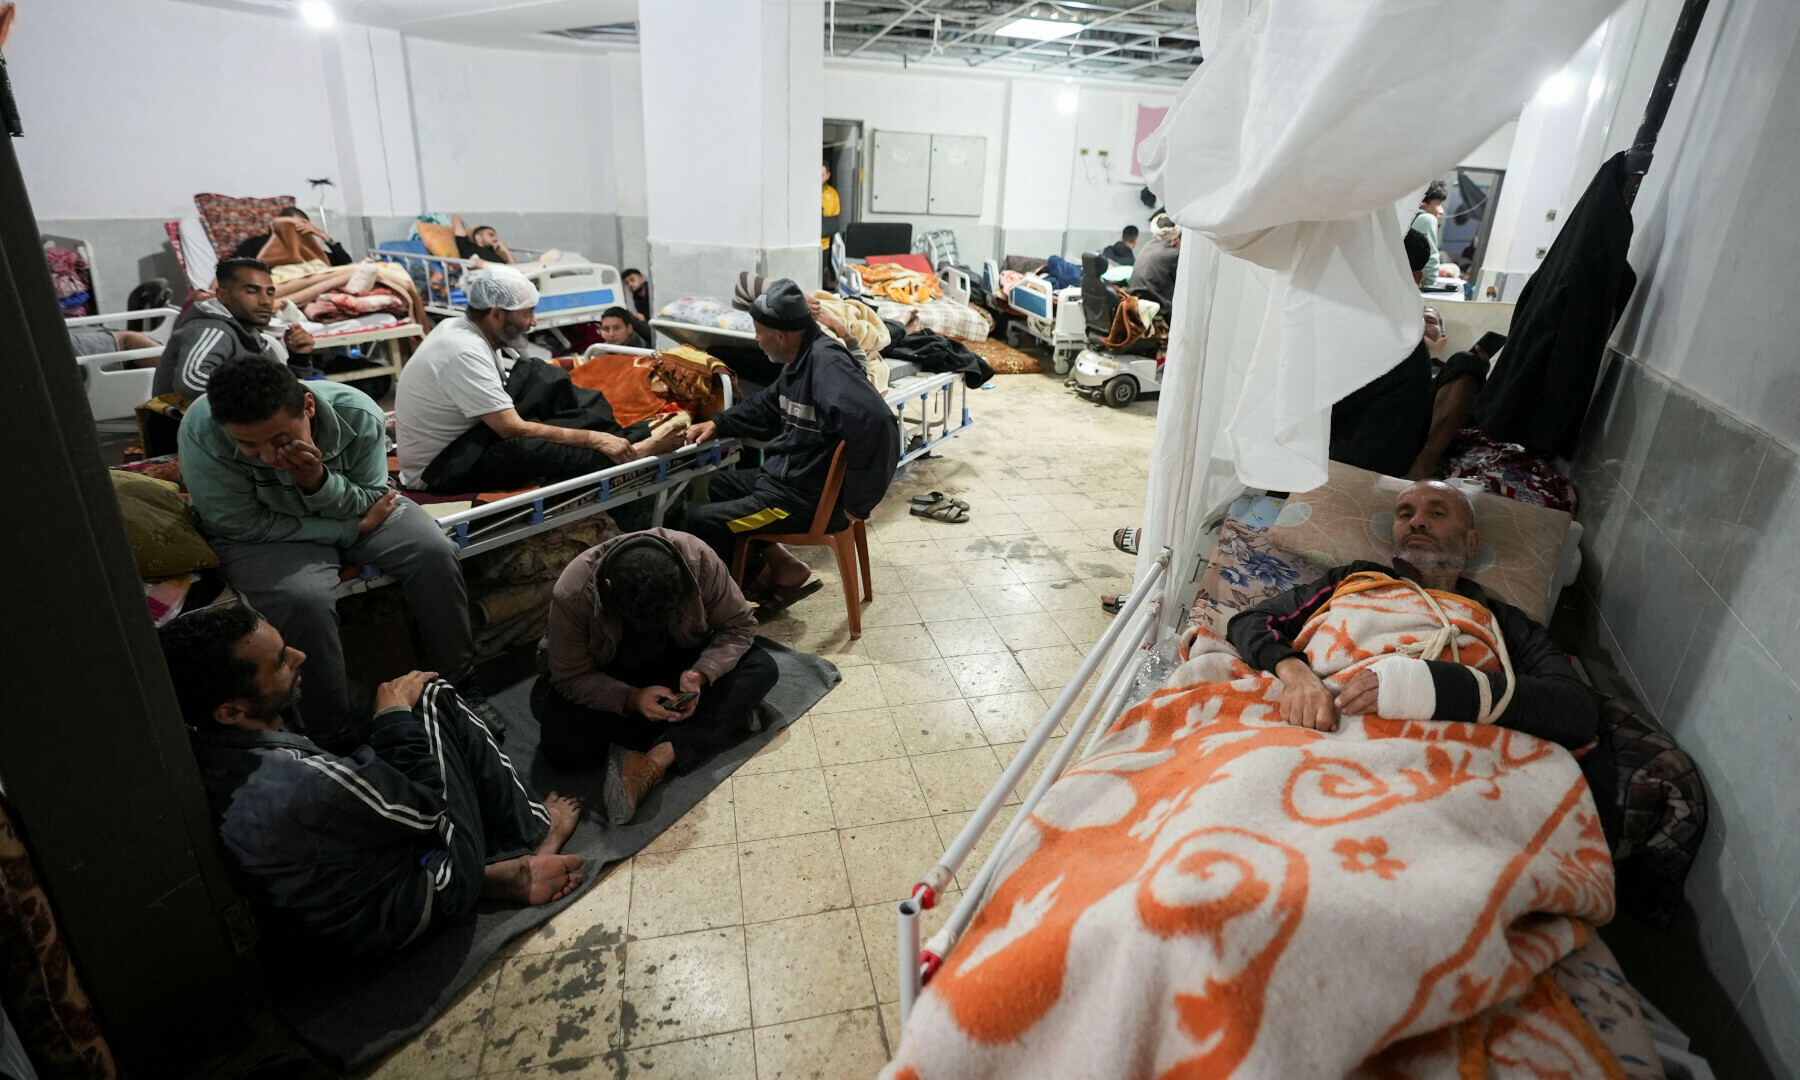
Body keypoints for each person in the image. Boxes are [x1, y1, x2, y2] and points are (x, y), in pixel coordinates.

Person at [160, 605, 584, 958]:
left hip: (327, 921)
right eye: (281, 662)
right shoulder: (295, 780)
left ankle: (490, 877)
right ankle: (533, 832)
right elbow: (424, 809)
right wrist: (393, 717)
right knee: (431, 695)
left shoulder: (207, 745)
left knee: (400, 732)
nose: (301, 656)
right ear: (231, 711)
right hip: (392, 918)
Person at [180, 356, 479, 749]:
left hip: (350, 507)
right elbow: (239, 524)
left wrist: (317, 480)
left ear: (307, 407)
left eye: (281, 441)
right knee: (300, 598)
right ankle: (334, 733)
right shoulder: (203, 430)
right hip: (266, 533)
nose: (268, 457)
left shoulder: (357, 413)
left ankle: (460, 687)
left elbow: (373, 495)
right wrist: (348, 529)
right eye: (248, 446)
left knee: (433, 551)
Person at [1225, 479, 1596, 749]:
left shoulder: (1500, 620)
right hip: (1317, 721)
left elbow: (1575, 709)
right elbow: (1250, 623)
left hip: (1441, 749)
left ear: (1471, 542)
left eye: (1437, 512)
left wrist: (1422, 686)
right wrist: (1297, 677)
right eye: (1406, 514)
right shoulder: (1356, 579)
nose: (1417, 521)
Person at [681, 278, 901, 611]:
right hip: (790, 480)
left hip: (799, 500)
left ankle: (726, 611)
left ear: (781, 335)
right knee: (723, 485)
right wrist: (717, 423)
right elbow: (768, 404)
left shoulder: (825, 365)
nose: (756, 339)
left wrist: (858, 504)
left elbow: (879, 424)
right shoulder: (801, 362)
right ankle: (783, 569)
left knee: (702, 521)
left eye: (758, 331)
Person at [536, 529, 777, 824]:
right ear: (609, 587)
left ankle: (656, 760)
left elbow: (740, 626)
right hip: (616, 676)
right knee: (558, 742)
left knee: (762, 667)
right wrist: (632, 698)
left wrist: (700, 675)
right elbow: (570, 676)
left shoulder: (698, 561)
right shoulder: (575, 592)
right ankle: (722, 716)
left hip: (684, 662)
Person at [394, 266, 681, 494]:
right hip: (440, 467)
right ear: (497, 314)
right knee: (526, 448)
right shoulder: (462, 350)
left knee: (537, 372)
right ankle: (632, 452)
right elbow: (511, 429)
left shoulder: (465, 329)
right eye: (527, 313)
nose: (533, 322)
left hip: (471, 435)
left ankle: (618, 437)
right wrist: (594, 440)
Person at [1328, 228, 1435, 477]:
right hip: (1343, 462)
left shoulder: (1398, 342)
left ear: (1414, 278)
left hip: (1353, 474)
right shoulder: (1360, 324)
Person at [153, 257, 317, 397]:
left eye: (270, 293)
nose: (266, 301)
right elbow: (190, 381)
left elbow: (280, 388)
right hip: (189, 430)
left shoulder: (249, 332)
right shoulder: (213, 329)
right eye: (252, 291)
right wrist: (259, 387)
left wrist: (299, 358)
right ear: (223, 295)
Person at [1405, 331, 1506, 480]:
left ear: (1442, 338)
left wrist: (1476, 372)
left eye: (1430, 320)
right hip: (1401, 412)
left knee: (1467, 359)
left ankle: (1423, 465)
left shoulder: (1452, 367)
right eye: (1420, 318)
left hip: (1434, 424)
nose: (1424, 323)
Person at [231, 206, 353, 266]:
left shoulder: (307, 249)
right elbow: (232, 267)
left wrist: (323, 235)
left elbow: (345, 263)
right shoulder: (257, 244)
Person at [1409, 180, 1460, 284]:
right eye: (1438, 204)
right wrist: (1431, 281)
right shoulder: (1427, 219)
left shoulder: (1408, 218)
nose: (1441, 211)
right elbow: (1431, 256)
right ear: (1422, 206)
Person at [1129, 214, 1181, 308]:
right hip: (1159, 307)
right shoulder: (1172, 254)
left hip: (1137, 303)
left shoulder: (1148, 246)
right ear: (1175, 239)